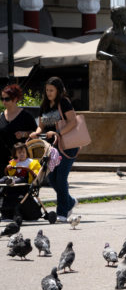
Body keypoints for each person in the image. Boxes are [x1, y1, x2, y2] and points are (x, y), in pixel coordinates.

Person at [29, 77, 79, 221]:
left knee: (61, 178)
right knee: (52, 179)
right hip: (51, 148)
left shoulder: (64, 102)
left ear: (58, 90)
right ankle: (69, 202)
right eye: (47, 90)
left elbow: (73, 122)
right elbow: (41, 125)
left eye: (51, 90)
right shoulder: (44, 105)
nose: (49, 93)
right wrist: (36, 132)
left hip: (67, 146)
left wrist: (58, 133)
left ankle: (62, 212)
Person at [0, 83, 37, 159]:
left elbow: (36, 134)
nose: (4, 102)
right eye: (2, 99)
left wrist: (24, 134)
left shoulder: (26, 116)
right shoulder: (1, 116)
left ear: (16, 99)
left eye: (7, 99)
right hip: (3, 159)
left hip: (21, 159)